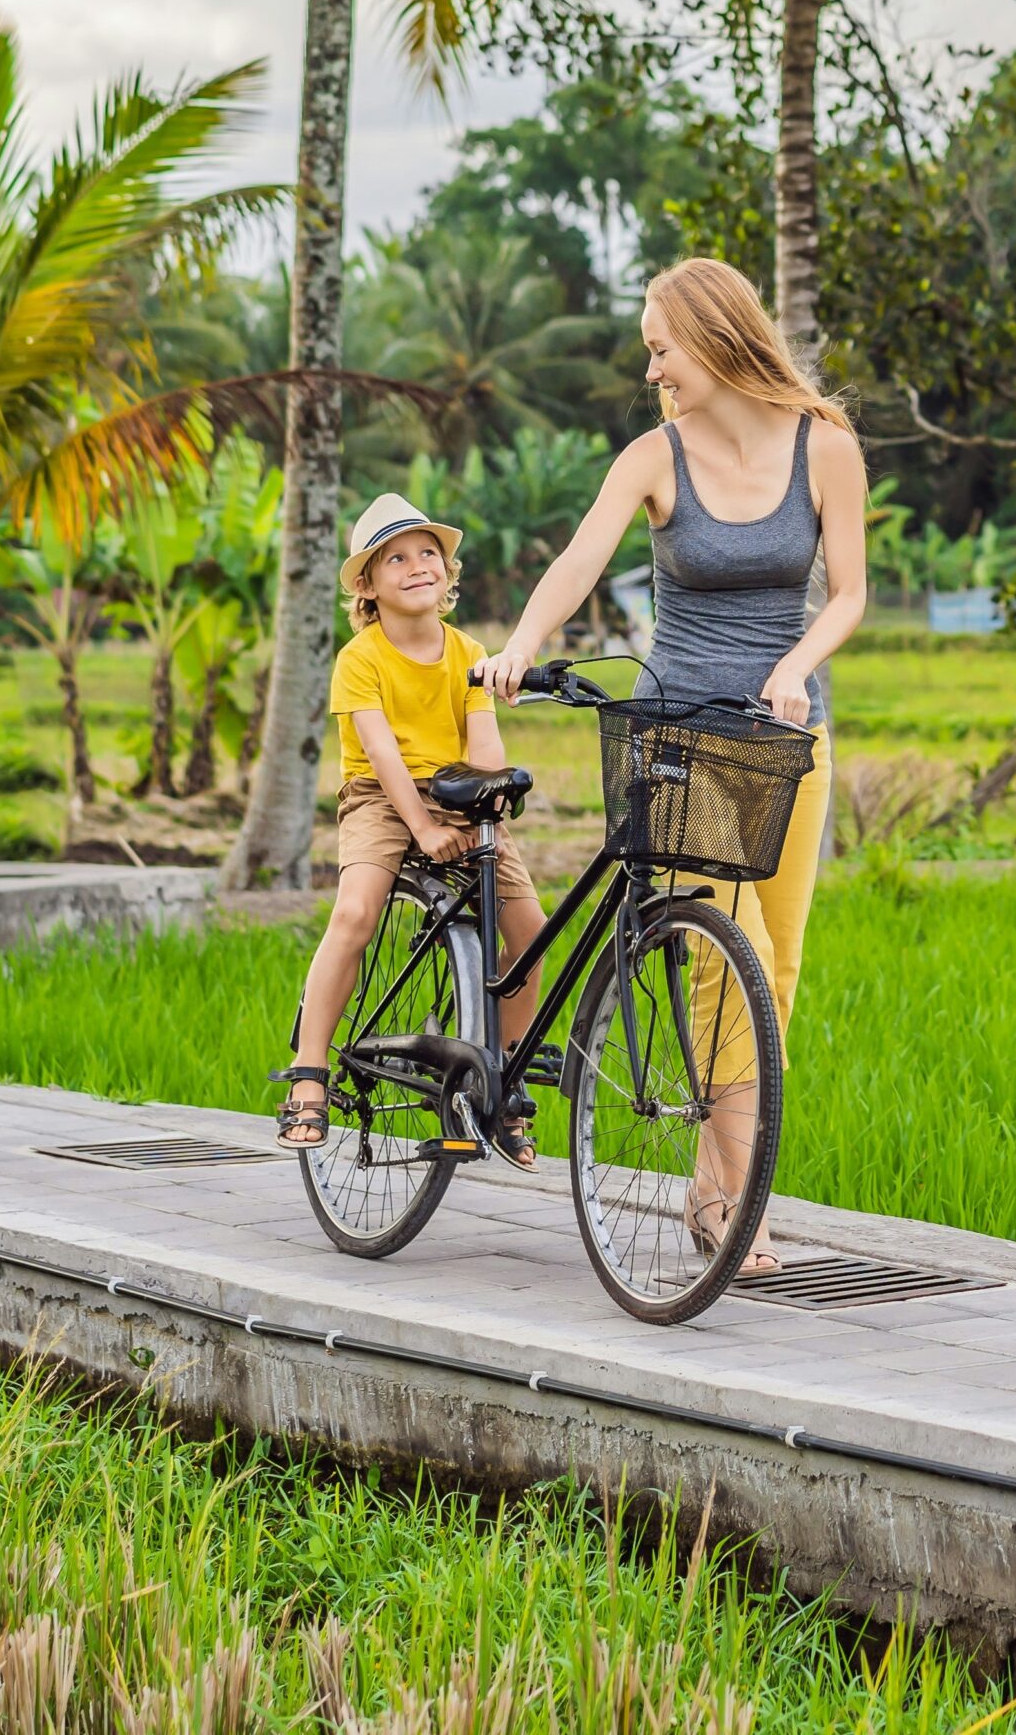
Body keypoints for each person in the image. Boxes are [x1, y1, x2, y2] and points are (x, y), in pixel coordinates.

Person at [484, 257, 867, 1273]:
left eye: (661, 348)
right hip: (681, 736)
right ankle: (739, 1208)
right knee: (723, 953)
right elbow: (578, 558)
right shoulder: (654, 457)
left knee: (775, 969)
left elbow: (848, 594)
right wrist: (521, 644)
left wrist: (794, 667)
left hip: (784, 738)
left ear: (713, 336)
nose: (651, 370)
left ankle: (712, 1186)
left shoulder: (823, 446)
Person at [275, 494, 545, 1166]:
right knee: (355, 913)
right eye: (395, 559)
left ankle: (500, 1074)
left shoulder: (469, 652)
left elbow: (482, 742)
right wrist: (421, 827)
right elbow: (382, 755)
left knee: (530, 933)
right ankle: (309, 1073)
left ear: (447, 572)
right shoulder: (359, 659)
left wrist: (488, 798)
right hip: (381, 796)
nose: (417, 565)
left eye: (428, 553)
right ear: (367, 585)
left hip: (458, 791)